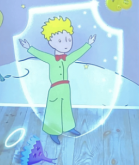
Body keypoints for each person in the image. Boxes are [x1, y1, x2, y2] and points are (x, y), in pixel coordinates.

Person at [19, 16, 96, 145]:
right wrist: (28, 47)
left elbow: (77, 53)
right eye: (60, 40)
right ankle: (53, 131)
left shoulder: (67, 59)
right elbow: (39, 54)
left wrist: (88, 44)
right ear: (51, 42)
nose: (66, 44)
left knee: (66, 108)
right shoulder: (50, 58)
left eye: (68, 40)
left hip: (66, 88)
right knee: (53, 110)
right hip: (55, 89)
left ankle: (68, 126)